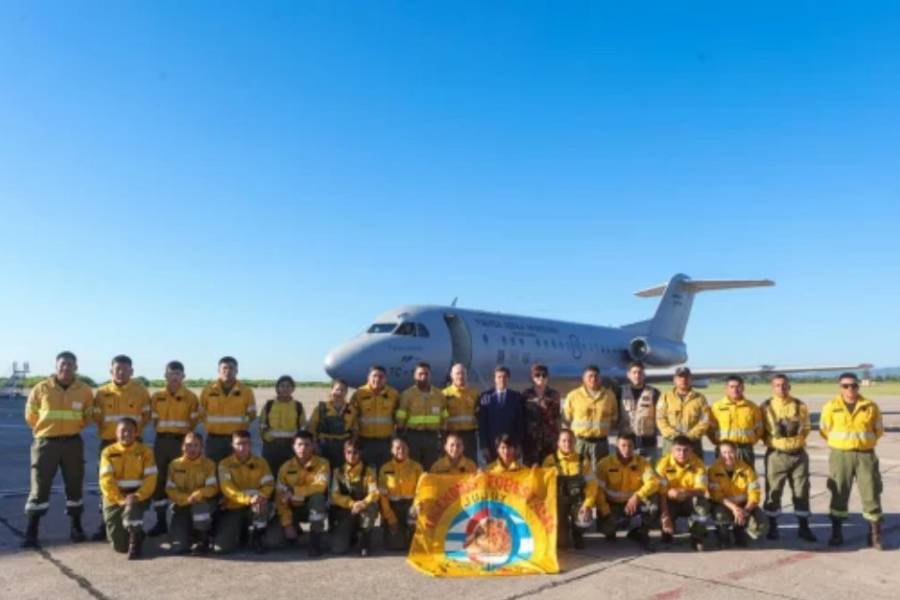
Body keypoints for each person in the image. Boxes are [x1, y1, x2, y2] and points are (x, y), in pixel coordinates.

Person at [22, 351, 94, 548]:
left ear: (76, 367)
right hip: (46, 443)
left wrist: (73, 428)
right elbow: (30, 415)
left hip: (72, 443)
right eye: (63, 364)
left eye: (70, 364)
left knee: (74, 484)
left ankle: (76, 527)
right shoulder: (41, 388)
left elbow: (88, 416)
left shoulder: (84, 390)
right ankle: (32, 530)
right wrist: (45, 430)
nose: (66, 368)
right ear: (56, 366)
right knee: (39, 486)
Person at [820, 372, 884, 549]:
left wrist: (864, 443)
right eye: (845, 385)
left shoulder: (870, 406)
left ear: (858, 386)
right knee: (839, 491)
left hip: (865, 454)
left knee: (871, 491)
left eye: (854, 385)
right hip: (840, 454)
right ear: (839, 387)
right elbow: (824, 429)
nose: (850, 389)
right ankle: (837, 533)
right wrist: (842, 443)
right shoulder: (830, 407)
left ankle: (875, 535)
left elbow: (878, 430)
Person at [92, 354, 152, 541]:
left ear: (131, 371)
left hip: (134, 444)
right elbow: (95, 417)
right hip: (109, 444)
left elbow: (146, 417)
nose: (121, 372)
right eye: (118, 369)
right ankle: (106, 522)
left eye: (125, 369)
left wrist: (131, 437)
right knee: (107, 485)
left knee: (137, 483)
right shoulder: (101, 393)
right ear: (111, 371)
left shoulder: (141, 391)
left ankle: (136, 523)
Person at [760, 374, 816, 541]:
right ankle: (773, 526)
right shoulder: (765, 406)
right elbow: (760, 430)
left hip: (798, 455)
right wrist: (776, 443)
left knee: (802, 490)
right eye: (777, 385)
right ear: (772, 387)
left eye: (784, 385)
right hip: (776, 455)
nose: (781, 388)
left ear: (789, 386)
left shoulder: (800, 405)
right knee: (773, 491)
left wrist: (795, 442)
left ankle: (804, 527)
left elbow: (806, 428)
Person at [147, 360, 200, 537]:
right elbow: (154, 422)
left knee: (183, 480)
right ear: (165, 376)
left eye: (178, 374)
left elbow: (193, 423)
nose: (174, 377)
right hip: (162, 442)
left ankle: (184, 522)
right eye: (171, 373)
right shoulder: (156, 397)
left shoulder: (191, 397)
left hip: (181, 442)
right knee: (160, 481)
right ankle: (161, 521)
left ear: (183, 376)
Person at [98, 418, 157, 559]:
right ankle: (137, 532)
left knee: (132, 510)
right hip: (116, 497)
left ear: (136, 433)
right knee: (119, 546)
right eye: (122, 431)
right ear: (116, 433)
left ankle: (135, 542)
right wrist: (119, 499)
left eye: (130, 430)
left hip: (137, 495)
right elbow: (106, 481)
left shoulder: (145, 452)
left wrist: (137, 496)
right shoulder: (108, 452)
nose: (126, 434)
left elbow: (151, 479)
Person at [595, 432, 660, 550]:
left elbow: (653, 482)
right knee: (608, 529)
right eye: (623, 445)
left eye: (630, 446)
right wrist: (605, 511)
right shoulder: (604, 464)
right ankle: (613, 527)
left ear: (634, 447)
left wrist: (637, 496)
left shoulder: (642, 462)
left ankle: (640, 531)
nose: (627, 449)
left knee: (653, 501)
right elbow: (598, 490)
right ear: (616, 447)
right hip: (612, 505)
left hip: (633, 504)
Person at [214, 430, 274, 554]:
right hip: (233, 508)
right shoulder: (224, 464)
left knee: (261, 506)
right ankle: (242, 533)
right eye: (238, 444)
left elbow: (268, 484)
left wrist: (260, 496)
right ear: (232, 445)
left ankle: (258, 537)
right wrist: (248, 499)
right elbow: (228, 489)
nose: (241, 447)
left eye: (245, 443)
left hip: (256, 505)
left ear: (250, 444)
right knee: (222, 548)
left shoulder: (261, 463)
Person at [271, 430, 330, 557]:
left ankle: (315, 539)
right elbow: (279, 497)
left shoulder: (322, 464)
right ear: (293, 446)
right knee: (272, 541)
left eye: (307, 445)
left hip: (310, 507)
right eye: (299, 444)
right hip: (292, 510)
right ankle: (294, 529)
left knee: (318, 498)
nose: (303, 448)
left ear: (313, 446)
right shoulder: (285, 467)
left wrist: (293, 491)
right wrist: (287, 524)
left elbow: (320, 486)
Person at [542, 429, 597, 549]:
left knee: (584, 519)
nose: (567, 444)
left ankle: (578, 533)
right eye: (564, 441)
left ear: (575, 442)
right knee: (562, 544)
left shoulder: (583, 461)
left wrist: (587, 505)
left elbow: (592, 485)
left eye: (570, 441)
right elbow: (543, 486)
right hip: (558, 503)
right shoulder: (549, 461)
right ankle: (563, 529)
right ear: (558, 443)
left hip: (577, 502)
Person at [164, 432, 218, 554]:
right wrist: (185, 499)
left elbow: (213, 487)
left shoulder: (209, 465)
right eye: (188, 445)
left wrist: (198, 495)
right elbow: (170, 489)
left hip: (202, 503)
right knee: (179, 548)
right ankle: (188, 536)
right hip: (181, 505)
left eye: (196, 445)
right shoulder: (175, 465)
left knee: (200, 508)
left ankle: (202, 540)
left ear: (202, 447)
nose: (192, 449)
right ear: (183, 447)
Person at [656, 435, 711, 551]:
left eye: (686, 450)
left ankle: (697, 535)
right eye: (678, 450)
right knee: (655, 501)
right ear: (672, 450)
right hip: (670, 500)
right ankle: (667, 530)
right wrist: (665, 515)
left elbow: (701, 490)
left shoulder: (699, 464)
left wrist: (684, 492)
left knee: (702, 504)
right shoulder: (663, 464)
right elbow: (660, 492)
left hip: (689, 500)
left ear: (692, 450)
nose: (682, 453)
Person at [708, 441, 767, 547]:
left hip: (744, 505)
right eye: (724, 453)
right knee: (719, 515)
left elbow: (755, 493)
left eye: (730, 452)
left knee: (761, 525)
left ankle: (739, 531)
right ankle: (723, 535)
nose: (727, 456)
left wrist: (746, 510)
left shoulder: (747, 469)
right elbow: (717, 495)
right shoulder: (713, 470)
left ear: (736, 452)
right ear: (719, 454)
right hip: (724, 505)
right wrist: (734, 508)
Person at [200, 356, 257, 464]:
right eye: (224, 368)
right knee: (213, 471)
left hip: (237, 440)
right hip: (214, 440)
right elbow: (201, 414)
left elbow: (252, 415)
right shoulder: (207, 390)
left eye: (231, 368)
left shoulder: (246, 391)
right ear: (218, 370)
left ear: (237, 371)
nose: (228, 371)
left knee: (237, 471)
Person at [562, 365, 618, 469]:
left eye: (596, 376)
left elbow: (614, 417)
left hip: (601, 443)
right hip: (580, 443)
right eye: (590, 376)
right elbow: (566, 418)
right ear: (583, 378)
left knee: (601, 473)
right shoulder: (573, 396)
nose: (593, 379)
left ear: (600, 378)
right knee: (579, 471)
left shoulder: (609, 396)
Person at [330, 439, 379, 556]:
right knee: (338, 549)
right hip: (346, 509)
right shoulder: (338, 472)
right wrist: (352, 504)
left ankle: (365, 539)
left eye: (355, 452)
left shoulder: (369, 471)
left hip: (363, 508)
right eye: (349, 452)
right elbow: (334, 495)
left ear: (360, 453)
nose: (352, 456)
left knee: (371, 507)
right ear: (344, 453)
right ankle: (350, 535)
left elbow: (374, 492)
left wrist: (363, 503)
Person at [396, 362, 447, 469]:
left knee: (431, 466)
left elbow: (444, 415)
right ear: (415, 376)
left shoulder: (439, 395)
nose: (423, 377)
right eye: (420, 374)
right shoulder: (407, 394)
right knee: (413, 466)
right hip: (413, 436)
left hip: (432, 437)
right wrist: (400, 436)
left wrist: (443, 435)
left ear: (430, 375)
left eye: (426, 374)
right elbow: (401, 416)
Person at [378, 437, 423, 552]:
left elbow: (421, 491)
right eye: (397, 448)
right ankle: (397, 532)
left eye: (404, 447)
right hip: (393, 508)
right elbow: (382, 495)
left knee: (414, 545)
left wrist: (415, 507)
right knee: (396, 546)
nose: (401, 451)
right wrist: (390, 518)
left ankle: (412, 530)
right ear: (391, 450)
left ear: (408, 449)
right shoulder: (385, 468)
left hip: (411, 507)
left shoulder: (417, 467)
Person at [352, 365, 400, 470]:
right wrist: (355, 438)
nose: (377, 379)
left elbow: (398, 417)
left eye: (381, 376)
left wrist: (396, 438)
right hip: (365, 442)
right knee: (367, 472)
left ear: (385, 379)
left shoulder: (393, 394)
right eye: (374, 376)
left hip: (386, 442)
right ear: (368, 377)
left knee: (385, 472)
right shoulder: (359, 393)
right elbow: (353, 417)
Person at [708, 375, 763, 466]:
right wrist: (718, 443)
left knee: (746, 478)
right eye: (732, 387)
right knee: (723, 478)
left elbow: (759, 429)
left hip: (744, 450)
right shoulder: (717, 407)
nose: (735, 389)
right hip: (724, 450)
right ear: (726, 389)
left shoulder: (752, 407)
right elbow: (710, 429)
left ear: (743, 388)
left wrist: (749, 443)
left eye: (738, 386)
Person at [656, 367, 710, 458]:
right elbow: (660, 419)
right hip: (671, 441)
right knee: (669, 469)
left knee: (695, 470)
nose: (683, 380)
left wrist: (690, 436)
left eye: (686, 377)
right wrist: (675, 435)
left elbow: (705, 420)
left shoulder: (700, 398)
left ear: (691, 379)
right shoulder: (665, 397)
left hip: (693, 442)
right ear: (674, 380)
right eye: (680, 377)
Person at [259, 375, 307, 476]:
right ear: (277, 388)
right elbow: (262, 425)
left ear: (293, 389)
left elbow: (303, 427)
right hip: (271, 446)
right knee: (270, 474)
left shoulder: (298, 406)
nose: (285, 389)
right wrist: (267, 438)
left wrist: (298, 443)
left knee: (290, 475)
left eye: (288, 386)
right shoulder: (269, 405)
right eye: (282, 386)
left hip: (291, 447)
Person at [477, 367, 525, 464]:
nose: (502, 380)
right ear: (494, 379)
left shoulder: (516, 397)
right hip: (491, 444)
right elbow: (482, 424)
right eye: (499, 377)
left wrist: (518, 445)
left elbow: (520, 423)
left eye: (504, 377)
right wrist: (483, 446)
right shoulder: (486, 396)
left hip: (510, 446)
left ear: (508, 378)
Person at [616, 361, 661, 462]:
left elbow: (660, 416)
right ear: (628, 375)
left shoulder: (654, 393)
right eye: (634, 372)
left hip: (648, 442)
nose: (637, 375)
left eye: (640, 372)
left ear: (644, 375)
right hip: (625, 443)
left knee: (648, 474)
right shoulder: (620, 392)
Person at [308, 379, 357, 468]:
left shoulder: (351, 409)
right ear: (332, 390)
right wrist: (314, 445)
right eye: (337, 389)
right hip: (323, 446)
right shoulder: (321, 408)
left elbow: (355, 430)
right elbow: (311, 428)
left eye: (343, 390)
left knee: (341, 474)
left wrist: (352, 446)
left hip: (343, 447)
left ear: (346, 392)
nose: (339, 392)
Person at [522, 364, 561, 466]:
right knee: (531, 474)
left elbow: (557, 418)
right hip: (531, 441)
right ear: (532, 377)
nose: (541, 378)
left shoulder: (554, 395)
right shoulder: (526, 395)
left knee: (549, 472)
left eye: (544, 375)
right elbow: (521, 417)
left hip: (550, 441)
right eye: (537, 375)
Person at [442, 363, 479, 462]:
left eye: (463, 373)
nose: (460, 376)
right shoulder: (444, 394)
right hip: (451, 434)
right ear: (451, 375)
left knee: (470, 463)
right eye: (457, 373)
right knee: (451, 462)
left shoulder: (474, 393)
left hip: (469, 435)